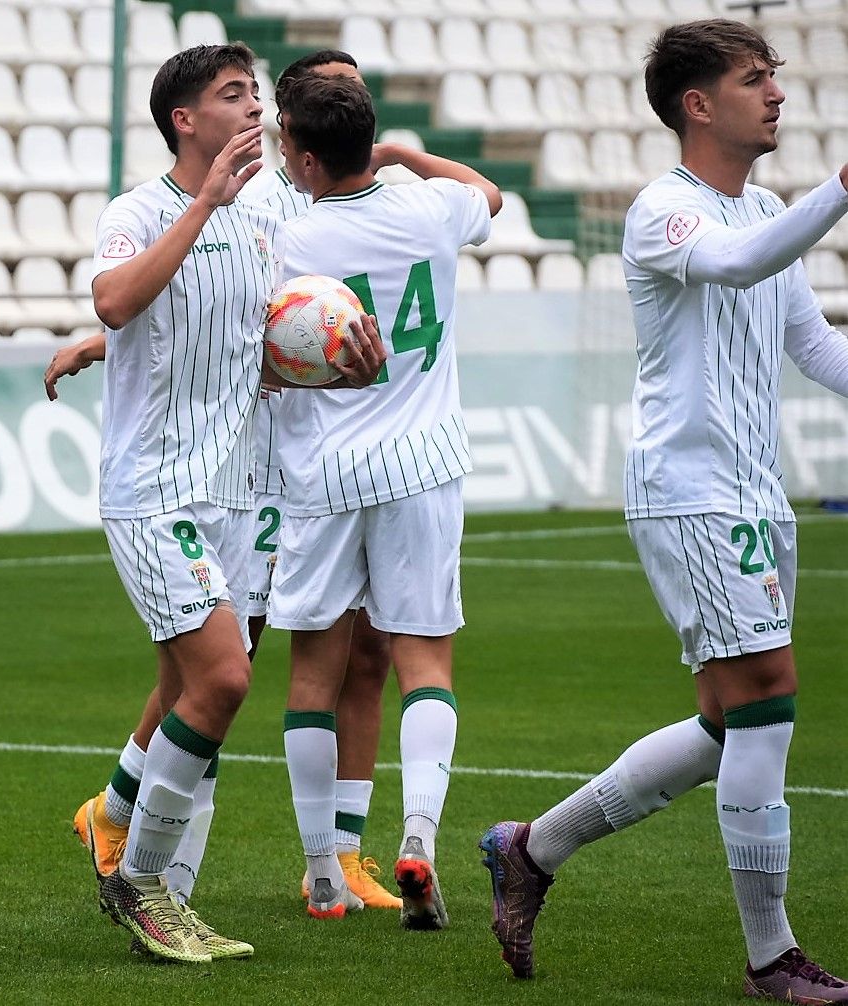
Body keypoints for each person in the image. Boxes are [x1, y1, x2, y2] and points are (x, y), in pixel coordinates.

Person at [479, 20, 848, 1001]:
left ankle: (530, 848)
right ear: (698, 104)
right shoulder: (662, 213)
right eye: (753, 78)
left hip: (755, 488)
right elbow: (738, 265)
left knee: (729, 723)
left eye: (774, 77)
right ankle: (771, 957)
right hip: (691, 492)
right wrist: (844, 188)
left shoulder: (764, 202)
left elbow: (811, 346)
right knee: (768, 697)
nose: (775, 93)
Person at [54, 49, 403, 924]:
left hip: (237, 494)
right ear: (184, 119)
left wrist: (341, 369)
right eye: (233, 95)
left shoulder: (259, 228)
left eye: (256, 96)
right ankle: (141, 882)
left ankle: (149, 870)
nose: (255, 109)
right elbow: (114, 301)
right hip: (154, 489)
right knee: (222, 681)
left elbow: (258, 362)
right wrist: (204, 201)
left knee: (197, 687)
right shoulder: (138, 210)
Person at [268, 72, 501, 925]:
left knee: (312, 675)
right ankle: (416, 840)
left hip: (323, 473)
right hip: (424, 465)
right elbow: (489, 194)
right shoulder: (431, 212)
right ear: (369, 142)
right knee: (424, 667)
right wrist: (404, 155)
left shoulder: (285, 238)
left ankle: (322, 873)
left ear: (300, 152)